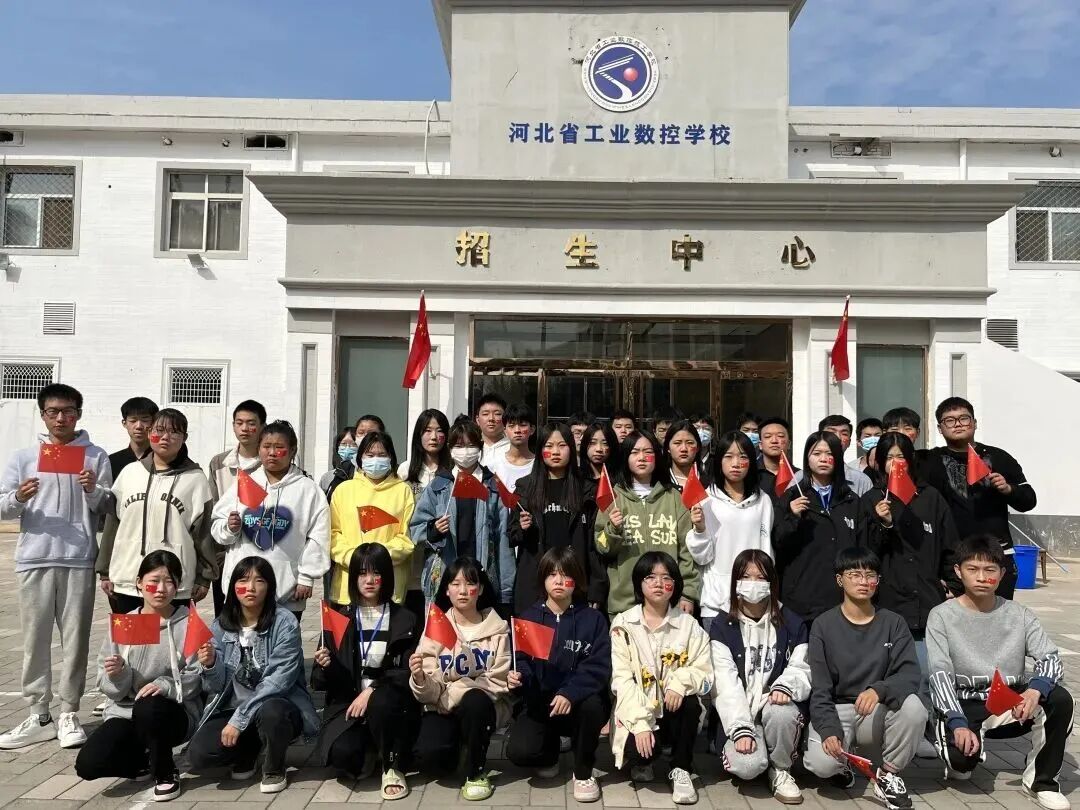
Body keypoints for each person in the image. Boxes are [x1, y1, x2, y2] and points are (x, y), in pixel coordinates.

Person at [0, 383, 112, 750]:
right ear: (43, 415)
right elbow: (3, 507)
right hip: (34, 557)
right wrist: (19, 497)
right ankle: (39, 714)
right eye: (53, 412)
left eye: (68, 411)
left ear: (79, 414)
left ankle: (68, 712)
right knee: (34, 641)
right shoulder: (24, 457)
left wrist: (93, 490)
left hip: (78, 558)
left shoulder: (95, 456)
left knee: (76, 641)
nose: (61, 418)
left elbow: (107, 507)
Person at [926, 535, 1071, 810]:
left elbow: (1050, 658)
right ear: (958, 571)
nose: (982, 577)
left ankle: (1041, 782)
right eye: (972, 569)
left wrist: (1034, 690)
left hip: (1010, 702)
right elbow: (939, 673)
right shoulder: (941, 616)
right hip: (964, 703)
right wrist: (956, 721)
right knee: (961, 768)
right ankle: (950, 740)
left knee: (1061, 700)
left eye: (990, 570)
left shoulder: (1019, 614)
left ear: (1002, 574)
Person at [74, 551, 202, 802]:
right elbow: (107, 686)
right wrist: (119, 675)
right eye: (154, 581)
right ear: (139, 583)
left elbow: (198, 677)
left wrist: (165, 685)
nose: (161, 589)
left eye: (169, 581)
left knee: (149, 706)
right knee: (88, 764)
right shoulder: (124, 623)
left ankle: (166, 773)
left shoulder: (188, 623)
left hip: (171, 713)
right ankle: (143, 761)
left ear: (178, 586)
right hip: (126, 712)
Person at [803, 548, 927, 810]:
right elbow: (820, 688)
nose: (863, 582)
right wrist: (829, 730)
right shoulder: (823, 625)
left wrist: (878, 690)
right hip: (838, 709)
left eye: (870, 575)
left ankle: (888, 775)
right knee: (822, 765)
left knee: (914, 707)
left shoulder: (894, 623)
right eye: (855, 574)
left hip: (875, 711)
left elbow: (909, 674)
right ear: (840, 580)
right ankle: (843, 765)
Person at [187, 557, 319, 795]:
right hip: (233, 706)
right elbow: (216, 687)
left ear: (269, 587)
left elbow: (278, 682)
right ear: (233, 587)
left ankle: (274, 766)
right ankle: (249, 749)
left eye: (259, 581)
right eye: (243, 580)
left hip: (278, 704)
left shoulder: (285, 623)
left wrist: (238, 721)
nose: (250, 588)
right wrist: (211, 664)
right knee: (200, 754)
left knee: (272, 712)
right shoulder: (220, 626)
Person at [312, 544, 419, 800]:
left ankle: (392, 766)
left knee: (381, 700)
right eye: (362, 573)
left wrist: (371, 690)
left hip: (390, 704)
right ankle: (372, 748)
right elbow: (318, 682)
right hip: (350, 706)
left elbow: (404, 671)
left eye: (376, 573)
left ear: (386, 576)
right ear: (353, 578)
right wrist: (327, 666)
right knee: (343, 758)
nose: (369, 580)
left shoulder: (404, 618)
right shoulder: (339, 618)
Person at [506, 547, 611, 803]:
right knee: (520, 751)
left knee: (593, 706)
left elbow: (598, 667)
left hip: (578, 703)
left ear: (577, 580)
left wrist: (569, 693)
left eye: (566, 575)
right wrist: (518, 679)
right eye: (552, 574)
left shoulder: (593, 619)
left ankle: (583, 770)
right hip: (542, 704)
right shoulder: (529, 618)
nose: (559, 581)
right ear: (543, 579)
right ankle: (549, 752)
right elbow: (522, 661)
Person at [609, 551, 713, 805]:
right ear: (639, 583)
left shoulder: (689, 625)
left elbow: (704, 670)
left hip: (672, 707)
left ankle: (681, 767)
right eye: (650, 577)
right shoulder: (624, 624)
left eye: (666, 578)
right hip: (638, 708)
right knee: (639, 753)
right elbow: (622, 680)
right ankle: (645, 759)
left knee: (690, 703)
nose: (658, 583)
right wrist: (641, 725)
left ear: (675, 584)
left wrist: (679, 683)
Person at [709, 550, 810, 804]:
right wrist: (741, 729)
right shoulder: (722, 625)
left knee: (782, 712)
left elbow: (802, 667)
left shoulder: (792, 623)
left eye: (761, 577)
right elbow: (725, 684)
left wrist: (785, 686)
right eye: (746, 576)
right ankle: (758, 753)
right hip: (742, 715)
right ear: (735, 581)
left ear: (772, 582)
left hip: (774, 710)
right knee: (748, 767)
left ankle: (781, 769)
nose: (753, 583)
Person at [409, 558, 512, 802]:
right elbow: (429, 692)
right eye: (455, 584)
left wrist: (454, 693)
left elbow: (497, 682)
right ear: (447, 590)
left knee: (475, 700)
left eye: (470, 584)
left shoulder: (499, 629)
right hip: (442, 708)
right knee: (430, 758)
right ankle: (461, 748)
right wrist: (419, 678)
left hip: (483, 708)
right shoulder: (436, 627)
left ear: (481, 588)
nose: (463, 591)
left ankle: (476, 773)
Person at [99, 408, 215, 612]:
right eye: (159, 430)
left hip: (172, 584)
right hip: (127, 578)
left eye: (174, 432)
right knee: (130, 634)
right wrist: (105, 571)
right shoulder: (130, 473)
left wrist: (204, 577)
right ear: (149, 432)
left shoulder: (196, 479)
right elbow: (113, 525)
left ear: (184, 438)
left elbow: (203, 533)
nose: (165, 437)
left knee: (169, 633)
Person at [211, 421, 330, 618]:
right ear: (258, 449)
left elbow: (319, 536)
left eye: (279, 447)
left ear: (292, 450)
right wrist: (229, 527)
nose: (272, 453)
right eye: (266, 446)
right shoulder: (245, 483)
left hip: (287, 593)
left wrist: (306, 576)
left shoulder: (308, 490)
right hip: (243, 592)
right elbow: (218, 525)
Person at [921, 397, 1037, 599]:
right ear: (940, 428)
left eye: (964, 418)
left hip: (996, 555)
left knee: (997, 614)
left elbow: (1029, 500)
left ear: (974, 423)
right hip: (951, 559)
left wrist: (1008, 489)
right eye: (950, 420)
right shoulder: (929, 461)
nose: (958, 424)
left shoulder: (999, 457)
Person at [863, 432, 960, 663]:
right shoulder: (872, 499)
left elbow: (950, 544)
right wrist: (884, 524)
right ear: (880, 462)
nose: (895, 463)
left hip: (928, 600)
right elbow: (866, 552)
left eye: (901, 457)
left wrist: (954, 586)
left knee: (927, 667)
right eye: (889, 458)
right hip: (888, 600)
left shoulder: (930, 497)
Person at [594, 430, 699, 619]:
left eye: (648, 452)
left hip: (669, 603)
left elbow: (686, 551)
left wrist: (687, 594)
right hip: (625, 605)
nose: (641, 458)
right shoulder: (613, 498)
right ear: (626, 458)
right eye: (634, 452)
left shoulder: (674, 498)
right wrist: (612, 530)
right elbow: (601, 545)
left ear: (657, 457)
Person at [410, 419, 513, 609]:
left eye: (471, 445)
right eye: (459, 446)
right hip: (444, 580)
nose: (465, 451)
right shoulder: (439, 485)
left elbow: (504, 540)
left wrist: (506, 591)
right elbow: (416, 529)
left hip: (482, 580)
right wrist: (434, 530)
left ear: (480, 447)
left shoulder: (492, 486)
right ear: (450, 449)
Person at [773, 431, 868, 624]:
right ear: (807, 459)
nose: (823, 459)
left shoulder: (852, 501)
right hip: (801, 600)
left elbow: (863, 548)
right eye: (816, 454)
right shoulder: (792, 497)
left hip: (842, 600)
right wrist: (793, 517)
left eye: (829, 454)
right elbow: (778, 542)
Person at [509, 422, 605, 614]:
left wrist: (596, 587)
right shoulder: (525, 488)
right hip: (535, 582)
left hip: (575, 581)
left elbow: (594, 545)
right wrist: (523, 528)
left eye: (562, 446)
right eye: (549, 446)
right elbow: (512, 536)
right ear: (540, 451)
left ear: (571, 449)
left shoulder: (587, 490)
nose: (555, 452)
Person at [687, 431, 773, 627]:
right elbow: (702, 558)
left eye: (743, 457)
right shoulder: (706, 500)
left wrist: (766, 589)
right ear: (719, 461)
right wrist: (699, 529)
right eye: (729, 456)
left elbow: (767, 549)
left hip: (755, 600)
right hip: (716, 602)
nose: (736, 463)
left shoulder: (763, 501)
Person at [329, 431, 415, 607]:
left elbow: (407, 537)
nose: (376, 459)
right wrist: (354, 558)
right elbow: (333, 534)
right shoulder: (343, 490)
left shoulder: (403, 491)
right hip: (348, 587)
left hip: (389, 588)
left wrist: (378, 558)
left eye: (382, 455)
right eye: (370, 455)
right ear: (360, 458)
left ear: (391, 458)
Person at [208, 400, 266, 616]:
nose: (244, 428)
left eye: (251, 423)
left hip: (260, 549)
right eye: (239, 423)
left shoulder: (268, 462)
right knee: (226, 617)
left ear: (262, 426)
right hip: (226, 554)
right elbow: (213, 507)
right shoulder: (219, 463)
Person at [398, 409, 451, 621]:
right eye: (427, 431)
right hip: (412, 559)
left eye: (439, 431)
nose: (434, 437)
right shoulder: (404, 472)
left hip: (443, 561)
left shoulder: (453, 471)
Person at [801, 415, 873, 496]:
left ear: (849, 442)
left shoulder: (861, 481)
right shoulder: (799, 478)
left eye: (844, 434)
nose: (837, 437)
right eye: (831, 433)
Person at [109, 396, 159, 481]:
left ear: (154, 423)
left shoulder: (163, 460)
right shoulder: (112, 461)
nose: (139, 426)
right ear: (124, 423)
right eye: (133, 421)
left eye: (145, 420)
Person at [489, 403, 535, 494]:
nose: (517, 430)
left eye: (522, 425)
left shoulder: (539, 465)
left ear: (532, 429)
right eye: (511, 425)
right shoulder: (493, 464)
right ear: (505, 431)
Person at [757, 417, 795, 505]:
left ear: (789, 444)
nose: (774, 441)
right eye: (768, 436)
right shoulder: (749, 474)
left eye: (780, 436)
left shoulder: (799, 476)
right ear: (760, 445)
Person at [320, 426, 357, 501]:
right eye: (343, 444)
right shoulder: (327, 477)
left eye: (353, 444)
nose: (347, 448)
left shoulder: (363, 475)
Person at [663, 419, 702, 490]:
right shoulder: (660, 483)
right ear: (668, 448)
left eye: (690, 443)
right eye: (677, 443)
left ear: (697, 447)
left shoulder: (709, 484)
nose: (684, 449)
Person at [475, 394, 509, 466]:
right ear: (477, 420)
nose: (491, 418)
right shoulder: (471, 447)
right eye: (485, 414)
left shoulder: (514, 448)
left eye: (497, 414)